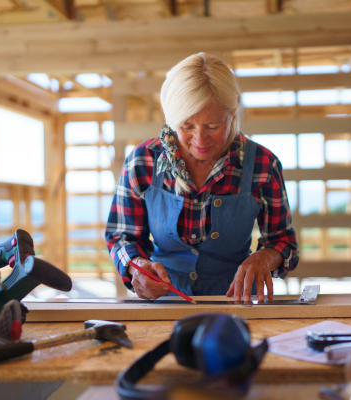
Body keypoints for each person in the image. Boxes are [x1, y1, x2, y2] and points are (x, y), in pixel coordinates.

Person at [106, 52, 299, 302]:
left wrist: (263, 258)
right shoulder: (142, 162)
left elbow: (283, 241)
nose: (199, 140)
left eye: (213, 126)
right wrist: (137, 266)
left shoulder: (263, 164)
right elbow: (122, 236)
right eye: (186, 126)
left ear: (234, 110)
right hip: (165, 303)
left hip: (237, 303)